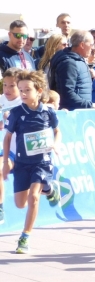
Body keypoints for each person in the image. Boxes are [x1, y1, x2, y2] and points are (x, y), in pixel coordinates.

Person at [3, 70, 61, 254]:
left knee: (34, 196)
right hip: (21, 162)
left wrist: (55, 145)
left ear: (39, 90)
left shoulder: (48, 112)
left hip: (42, 162)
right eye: (21, 90)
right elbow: (7, 138)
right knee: (21, 203)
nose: (23, 93)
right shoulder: (16, 113)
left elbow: (57, 131)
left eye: (27, 89)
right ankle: (49, 189)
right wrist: (6, 162)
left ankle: (25, 237)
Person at [49, 31, 95, 112]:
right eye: (91, 45)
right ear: (82, 45)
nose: (92, 48)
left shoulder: (77, 60)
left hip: (79, 113)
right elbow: (67, 93)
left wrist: (89, 77)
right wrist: (89, 105)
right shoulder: (69, 63)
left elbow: (79, 87)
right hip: (71, 115)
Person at [0, 68, 23, 225]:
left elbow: (50, 106)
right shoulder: (1, 99)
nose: (7, 89)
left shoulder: (25, 101)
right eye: (5, 85)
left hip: (23, 152)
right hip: (6, 150)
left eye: (11, 86)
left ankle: (48, 189)